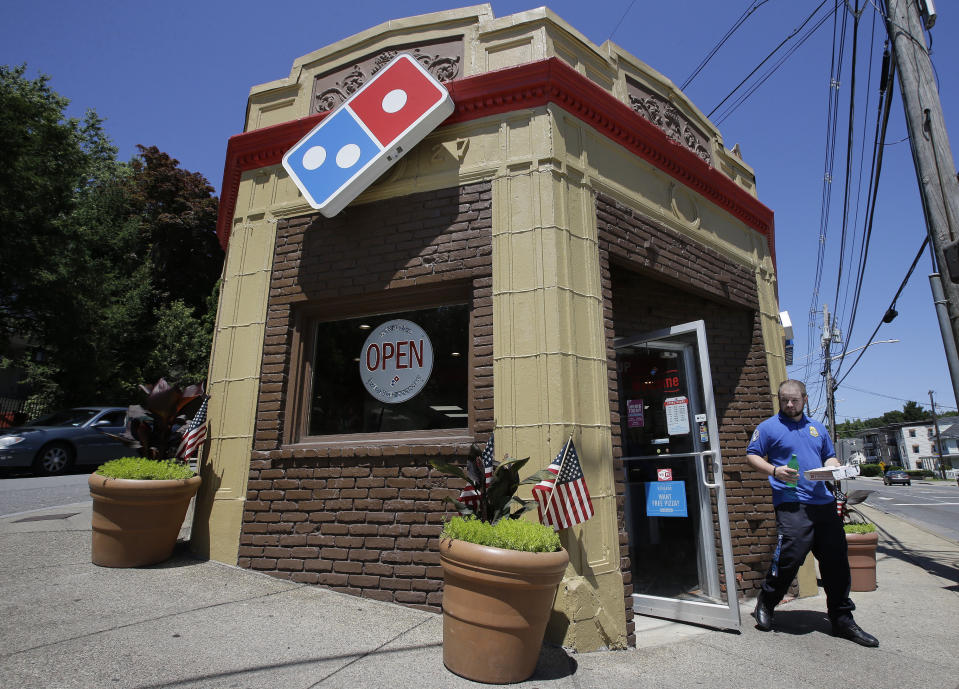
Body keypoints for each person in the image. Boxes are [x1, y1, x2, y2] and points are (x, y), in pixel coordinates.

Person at [745, 379, 879, 647]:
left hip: (823, 502)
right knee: (791, 556)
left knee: (836, 560)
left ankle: (842, 619)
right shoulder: (768, 428)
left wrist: (833, 466)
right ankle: (768, 601)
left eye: (794, 400)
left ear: (805, 399)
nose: (790, 404)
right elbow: (752, 455)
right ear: (779, 400)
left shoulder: (817, 428)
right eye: (784, 400)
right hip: (791, 500)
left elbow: (829, 456)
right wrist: (774, 470)